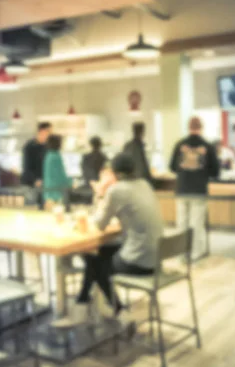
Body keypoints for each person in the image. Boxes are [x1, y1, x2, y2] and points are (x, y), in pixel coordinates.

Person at [75, 152, 163, 314]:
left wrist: (100, 193)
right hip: (157, 258)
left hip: (139, 261)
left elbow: (99, 224)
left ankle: (117, 307)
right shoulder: (144, 184)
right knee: (98, 253)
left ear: (116, 173)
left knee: (94, 262)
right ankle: (83, 296)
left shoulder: (117, 190)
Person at [169, 117, 220, 260]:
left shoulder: (179, 144)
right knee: (196, 223)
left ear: (188, 127)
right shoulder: (207, 146)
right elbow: (215, 171)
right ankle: (196, 252)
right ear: (201, 127)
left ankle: (181, 252)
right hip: (198, 190)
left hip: (182, 188)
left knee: (182, 222)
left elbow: (172, 167)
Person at [21, 122, 52, 193]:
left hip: (44, 184)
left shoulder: (47, 147)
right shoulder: (30, 146)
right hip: (31, 185)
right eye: (48, 132)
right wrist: (35, 180)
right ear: (41, 131)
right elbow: (26, 166)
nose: (50, 134)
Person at [42, 134, 72, 207]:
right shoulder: (56, 156)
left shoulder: (48, 155)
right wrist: (70, 182)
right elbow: (60, 174)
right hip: (57, 190)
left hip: (49, 188)